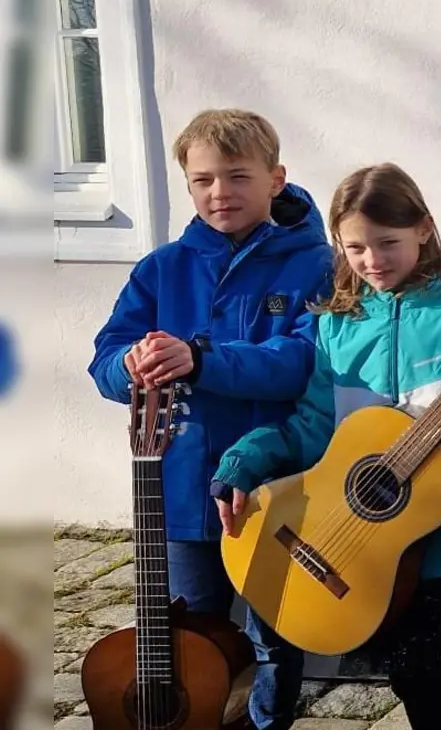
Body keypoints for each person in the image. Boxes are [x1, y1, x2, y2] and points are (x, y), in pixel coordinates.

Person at [210, 163, 441, 730]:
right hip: (372, 547)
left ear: (425, 230)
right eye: (356, 247)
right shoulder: (341, 320)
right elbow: (317, 423)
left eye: (388, 243)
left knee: (414, 663)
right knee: (405, 668)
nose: (373, 261)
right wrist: (245, 462)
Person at [87, 109, 328, 730]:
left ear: (276, 179)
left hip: (276, 485)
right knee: (190, 636)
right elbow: (105, 357)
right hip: (181, 488)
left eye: (237, 176)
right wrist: (131, 366)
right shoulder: (161, 267)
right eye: (203, 181)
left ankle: (266, 723)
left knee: (274, 634)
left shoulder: (317, 265)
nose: (220, 193)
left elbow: (301, 362)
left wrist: (199, 358)